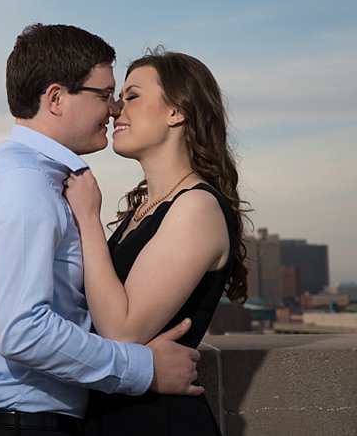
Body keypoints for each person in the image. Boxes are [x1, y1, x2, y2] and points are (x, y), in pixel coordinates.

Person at [0, 25, 203, 436]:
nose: (114, 109)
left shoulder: (38, 178)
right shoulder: (24, 183)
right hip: (19, 427)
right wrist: (144, 369)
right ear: (57, 98)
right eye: (104, 94)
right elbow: (21, 330)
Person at [63, 49, 249, 435]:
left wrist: (87, 218)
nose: (115, 110)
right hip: (116, 412)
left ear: (176, 112)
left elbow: (122, 330)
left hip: (156, 420)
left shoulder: (196, 206)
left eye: (132, 96)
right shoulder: (145, 209)